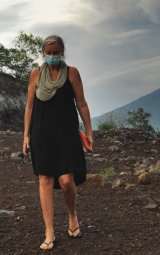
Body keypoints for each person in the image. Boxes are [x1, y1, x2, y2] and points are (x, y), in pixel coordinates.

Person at [22, 35, 93, 250]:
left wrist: (89, 131)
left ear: (62, 52)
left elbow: (81, 103)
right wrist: (26, 135)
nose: (52, 56)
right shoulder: (35, 74)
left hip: (66, 133)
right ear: (43, 53)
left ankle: (72, 216)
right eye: (48, 53)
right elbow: (30, 107)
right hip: (41, 133)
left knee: (64, 180)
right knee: (44, 180)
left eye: (56, 52)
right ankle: (49, 231)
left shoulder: (72, 73)